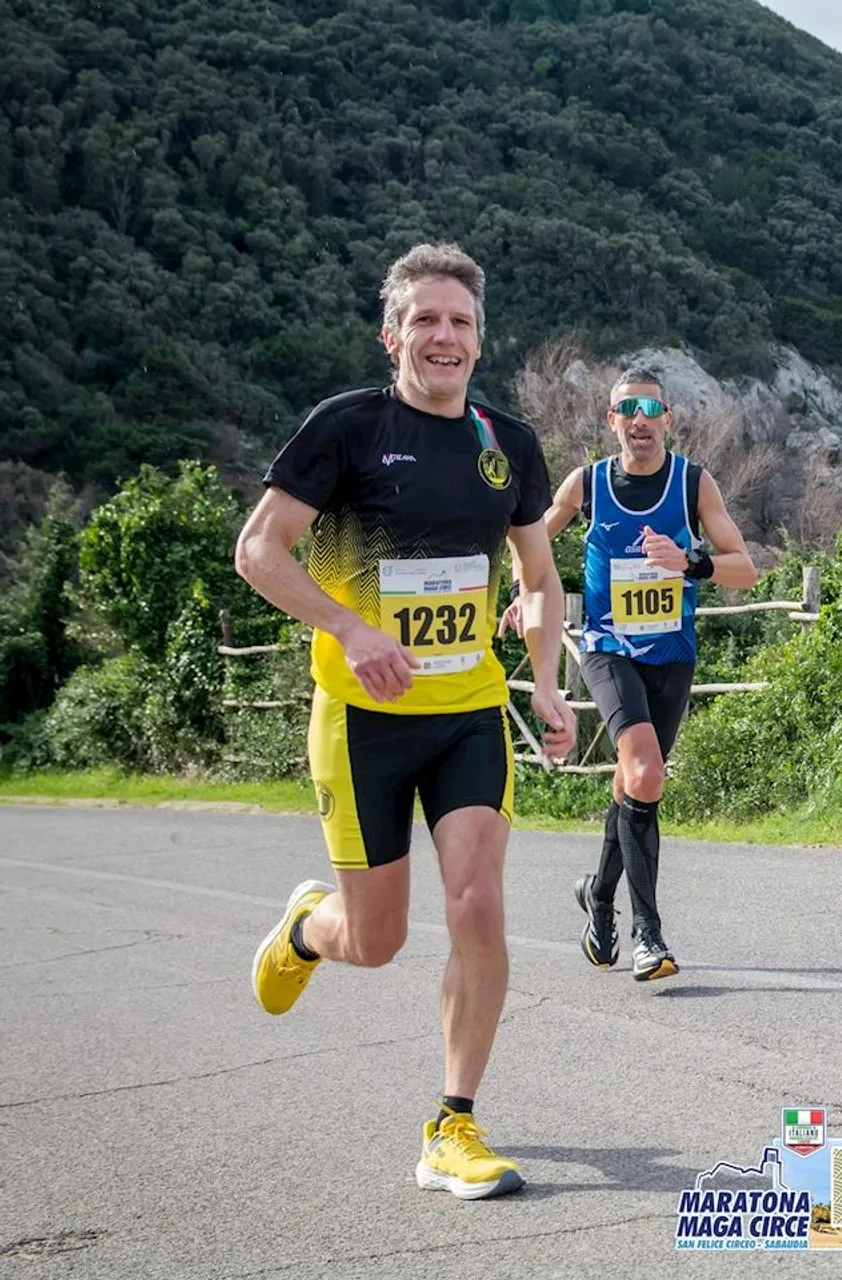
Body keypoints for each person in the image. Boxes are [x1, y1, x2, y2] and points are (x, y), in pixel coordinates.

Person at [234, 243, 576, 1200]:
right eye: (425, 319)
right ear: (394, 336)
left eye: (460, 321)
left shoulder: (506, 444)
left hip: (468, 713)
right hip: (362, 720)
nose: (444, 336)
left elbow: (539, 579)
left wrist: (544, 682)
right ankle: (309, 929)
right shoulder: (345, 430)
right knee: (376, 939)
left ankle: (453, 1124)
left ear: (480, 339)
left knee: (478, 906)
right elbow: (259, 551)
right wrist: (348, 627)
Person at [502, 369, 756, 981]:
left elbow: (745, 568)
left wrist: (689, 560)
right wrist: (520, 588)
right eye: (626, 409)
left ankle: (599, 896)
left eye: (650, 408)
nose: (639, 419)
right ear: (611, 421)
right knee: (645, 771)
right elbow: (526, 534)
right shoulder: (586, 483)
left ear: (668, 418)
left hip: (671, 654)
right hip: (608, 647)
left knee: (634, 785)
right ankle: (650, 935)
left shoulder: (693, 483)